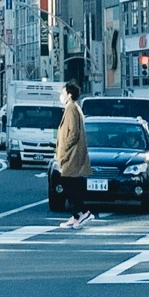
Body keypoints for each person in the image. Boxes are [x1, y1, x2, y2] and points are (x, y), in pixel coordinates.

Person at [54, 82, 92, 228]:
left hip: (71, 155)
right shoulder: (74, 108)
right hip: (72, 155)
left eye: (63, 93)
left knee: (70, 187)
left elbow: (73, 133)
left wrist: (63, 149)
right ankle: (76, 216)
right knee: (71, 186)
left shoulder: (71, 109)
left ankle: (83, 212)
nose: (61, 96)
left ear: (69, 95)